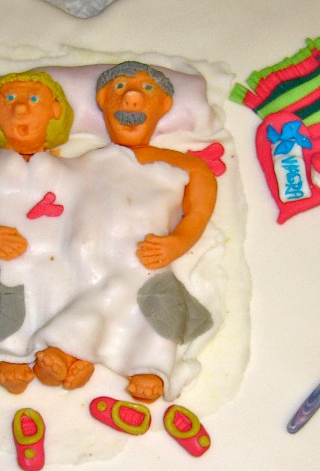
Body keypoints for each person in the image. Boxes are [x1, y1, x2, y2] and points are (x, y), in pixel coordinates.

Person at [33, 61, 218, 403]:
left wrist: (177, 242)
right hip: (90, 259)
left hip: (146, 256)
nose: (131, 97)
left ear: (164, 105)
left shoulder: (187, 165)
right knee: (82, 292)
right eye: (119, 88)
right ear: (102, 101)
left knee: (151, 303)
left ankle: (148, 367)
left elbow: (199, 212)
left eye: (147, 89)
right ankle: (71, 355)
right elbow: (51, 190)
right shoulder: (86, 161)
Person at [0, 70, 87, 394]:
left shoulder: (72, 170)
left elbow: (91, 204)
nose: (21, 109)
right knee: (1, 300)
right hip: (9, 257)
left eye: (34, 99)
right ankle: (6, 357)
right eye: (9, 99)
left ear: (55, 110)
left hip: (61, 257)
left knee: (72, 299)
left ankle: (66, 357)